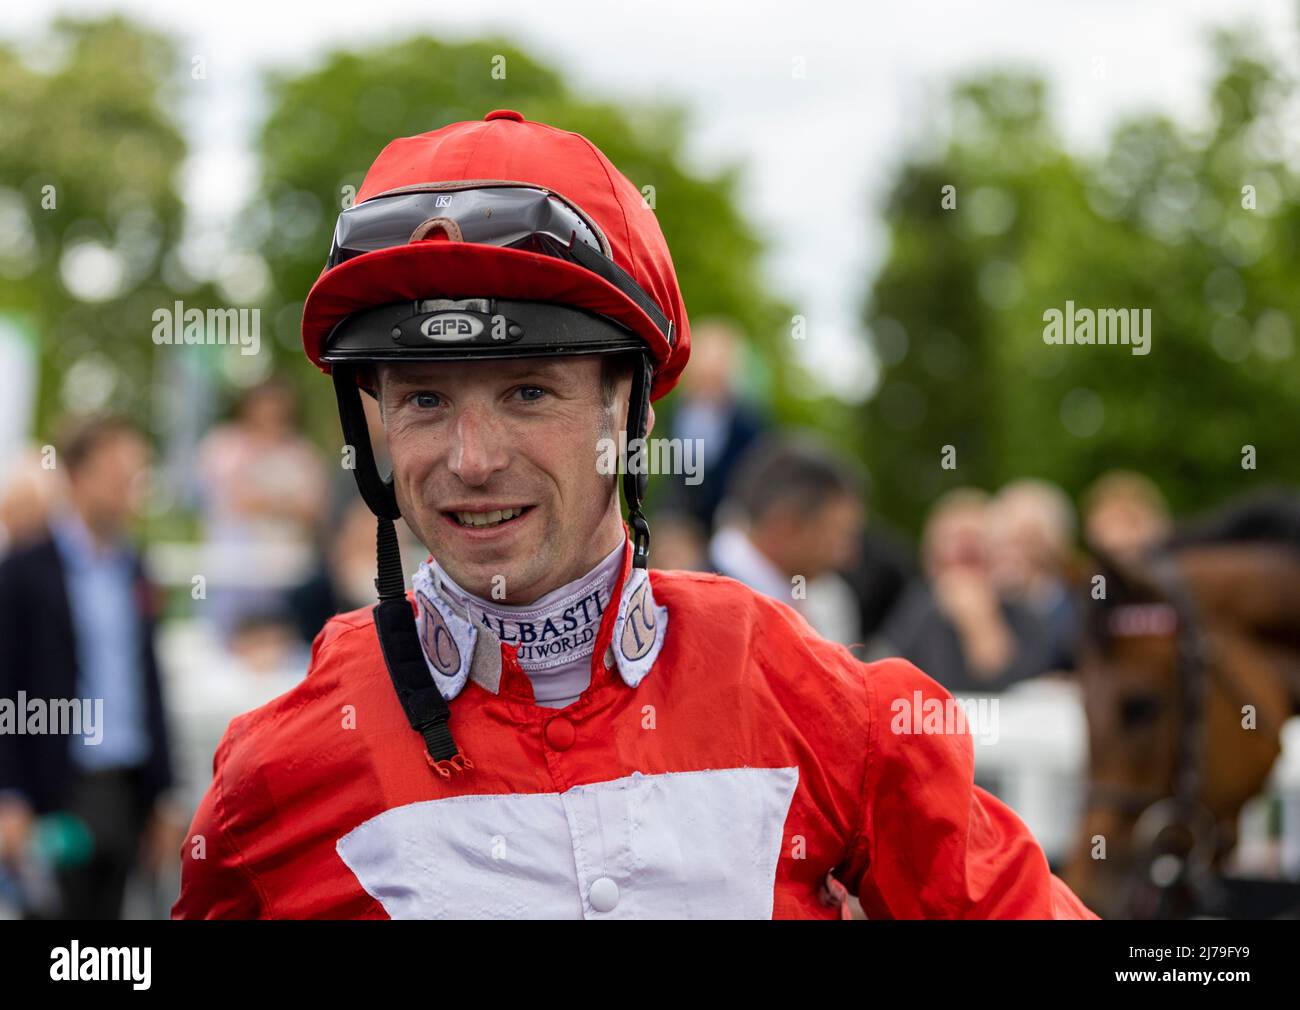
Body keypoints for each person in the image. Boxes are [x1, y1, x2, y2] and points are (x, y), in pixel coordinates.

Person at [173, 110, 1096, 919]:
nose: (472, 459)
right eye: (423, 400)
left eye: (529, 391)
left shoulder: (807, 698)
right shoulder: (277, 773)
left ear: (631, 406)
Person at [0, 416, 178, 918]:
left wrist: (163, 792)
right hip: (54, 786)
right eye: (115, 470)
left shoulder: (135, 569)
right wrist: (8, 793)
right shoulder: (23, 571)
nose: (129, 483)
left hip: (125, 787)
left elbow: (150, 681)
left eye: (135, 471)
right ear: (76, 475)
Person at [709, 435, 865, 644]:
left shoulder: (804, 600)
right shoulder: (710, 610)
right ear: (786, 527)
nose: (849, 557)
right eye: (838, 536)